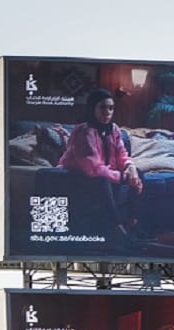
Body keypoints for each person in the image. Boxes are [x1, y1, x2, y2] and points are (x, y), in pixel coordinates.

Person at [57, 88, 143, 246]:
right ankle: (117, 230)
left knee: (138, 173)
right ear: (93, 108)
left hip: (104, 174)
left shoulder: (114, 128)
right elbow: (93, 167)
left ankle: (133, 223)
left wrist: (130, 168)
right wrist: (121, 177)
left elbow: (122, 154)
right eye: (102, 107)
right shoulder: (83, 130)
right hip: (76, 174)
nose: (107, 112)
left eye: (111, 108)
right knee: (101, 180)